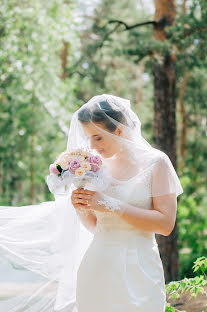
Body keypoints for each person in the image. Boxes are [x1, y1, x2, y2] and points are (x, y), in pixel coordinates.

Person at [0, 94, 183, 312]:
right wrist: (82, 208)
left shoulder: (156, 163)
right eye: (88, 138)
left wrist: (110, 204)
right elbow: (96, 227)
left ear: (119, 130)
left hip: (139, 266)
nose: (92, 146)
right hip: (98, 264)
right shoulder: (96, 168)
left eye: (98, 137)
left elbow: (165, 224)